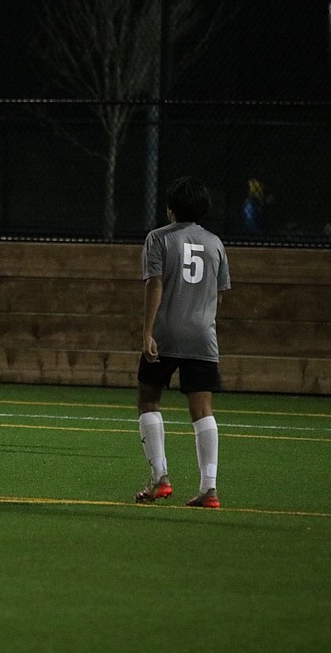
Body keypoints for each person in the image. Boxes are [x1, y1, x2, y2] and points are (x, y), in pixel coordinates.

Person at [135, 176, 231, 509]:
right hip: (203, 335)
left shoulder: (158, 238)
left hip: (166, 333)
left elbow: (154, 284)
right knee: (202, 409)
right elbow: (219, 296)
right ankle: (210, 488)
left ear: (171, 208)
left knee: (148, 398)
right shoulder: (216, 242)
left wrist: (148, 331)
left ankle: (160, 478)